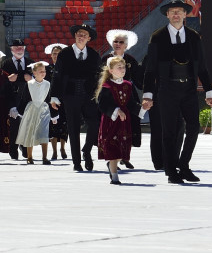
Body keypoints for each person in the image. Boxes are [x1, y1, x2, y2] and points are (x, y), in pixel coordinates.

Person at [140, 0, 212, 183]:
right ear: (167, 15)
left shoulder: (194, 37)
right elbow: (150, 69)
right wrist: (148, 95)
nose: (176, 14)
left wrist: (209, 92)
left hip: (188, 89)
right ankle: (170, 170)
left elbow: (202, 67)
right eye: (172, 11)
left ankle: (183, 165)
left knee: (193, 128)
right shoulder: (157, 37)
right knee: (169, 131)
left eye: (179, 11)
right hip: (167, 89)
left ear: (185, 15)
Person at [50, 25, 102, 172]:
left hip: (88, 94)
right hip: (70, 94)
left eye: (84, 35)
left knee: (95, 124)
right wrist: (54, 96)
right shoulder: (65, 54)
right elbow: (57, 75)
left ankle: (86, 150)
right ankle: (77, 162)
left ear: (89, 38)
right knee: (73, 129)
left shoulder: (93, 54)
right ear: (75, 36)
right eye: (79, 34)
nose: (81, 36)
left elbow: (99, 76)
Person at [96, 56, 138, 185]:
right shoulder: (107, 86)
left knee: (121, 149)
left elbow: (131, 103)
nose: (122, 69)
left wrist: (142, 109)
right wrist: (116, 110)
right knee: (112, 148)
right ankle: (114, 176)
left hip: (124, 122)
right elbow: (102, 104)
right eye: (119, 67)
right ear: (111, 70)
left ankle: (112, 165)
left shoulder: (128, 85)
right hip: (111, 121)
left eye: (123, 67)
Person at [106, 29, 143, 169]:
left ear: (126, 45)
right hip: (111, 93)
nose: (118, 44)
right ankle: (112, 158)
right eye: (115, 41)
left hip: (128, 94)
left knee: (129, 125)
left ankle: (125, 156)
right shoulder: (106, 60)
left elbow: (139, 79)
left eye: (121, 42)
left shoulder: (131, 60)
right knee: (113, 127)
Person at [15, 61, 53, 164]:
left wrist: (54, 116)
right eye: (40, 71)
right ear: (34, 72)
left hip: (43, 110)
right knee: (30, 132)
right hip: (31, 109)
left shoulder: (47, 84)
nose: (43, 73)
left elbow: (49, 99)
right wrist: (19, 112)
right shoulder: (29, 84)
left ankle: (45, 157)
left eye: (44, 71)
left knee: (44, 132)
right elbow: (24, 99)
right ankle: (29, 157)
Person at [2, 38, 33, 158]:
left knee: (26, 124)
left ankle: (25, 148)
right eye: (16, 48)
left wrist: (32, 79)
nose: (19, 50)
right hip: (12, 97)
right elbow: (1, 81)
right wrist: (8, 79)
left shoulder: (31, 63)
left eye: (21, 48)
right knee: (13, 125)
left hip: (27, 97)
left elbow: (39, 78)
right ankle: (13, 149)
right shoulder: (6, 63)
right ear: (11, 50)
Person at [44, 44, 69, 159]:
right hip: (50, 100)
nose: (56, 55)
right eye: (54, 53)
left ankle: (62, 148)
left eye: (58, 53)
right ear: (51, 55)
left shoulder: (67, 68)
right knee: (53, 126)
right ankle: (54, 151)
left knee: (64, 124)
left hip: (64, 100)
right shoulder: (47, 68)